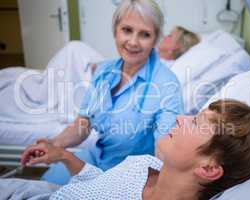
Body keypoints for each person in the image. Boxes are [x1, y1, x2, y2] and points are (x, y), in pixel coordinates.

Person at [23, 0, 183, 185]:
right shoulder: (104, 71)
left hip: (129, 175)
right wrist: (53, 144)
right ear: (115, 31)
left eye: (145, 34)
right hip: (96, 157)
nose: (133, 42)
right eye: (127, 30)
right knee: (42, 187)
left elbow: (164, 149)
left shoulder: (166, 84)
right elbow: (84, 123)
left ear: (155, 40)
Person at [16, 99, 250, 200]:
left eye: (197, 122)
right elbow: (99, 185)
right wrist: (62, 155)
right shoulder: (145, 163)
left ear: (209, 167)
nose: (180, 118)